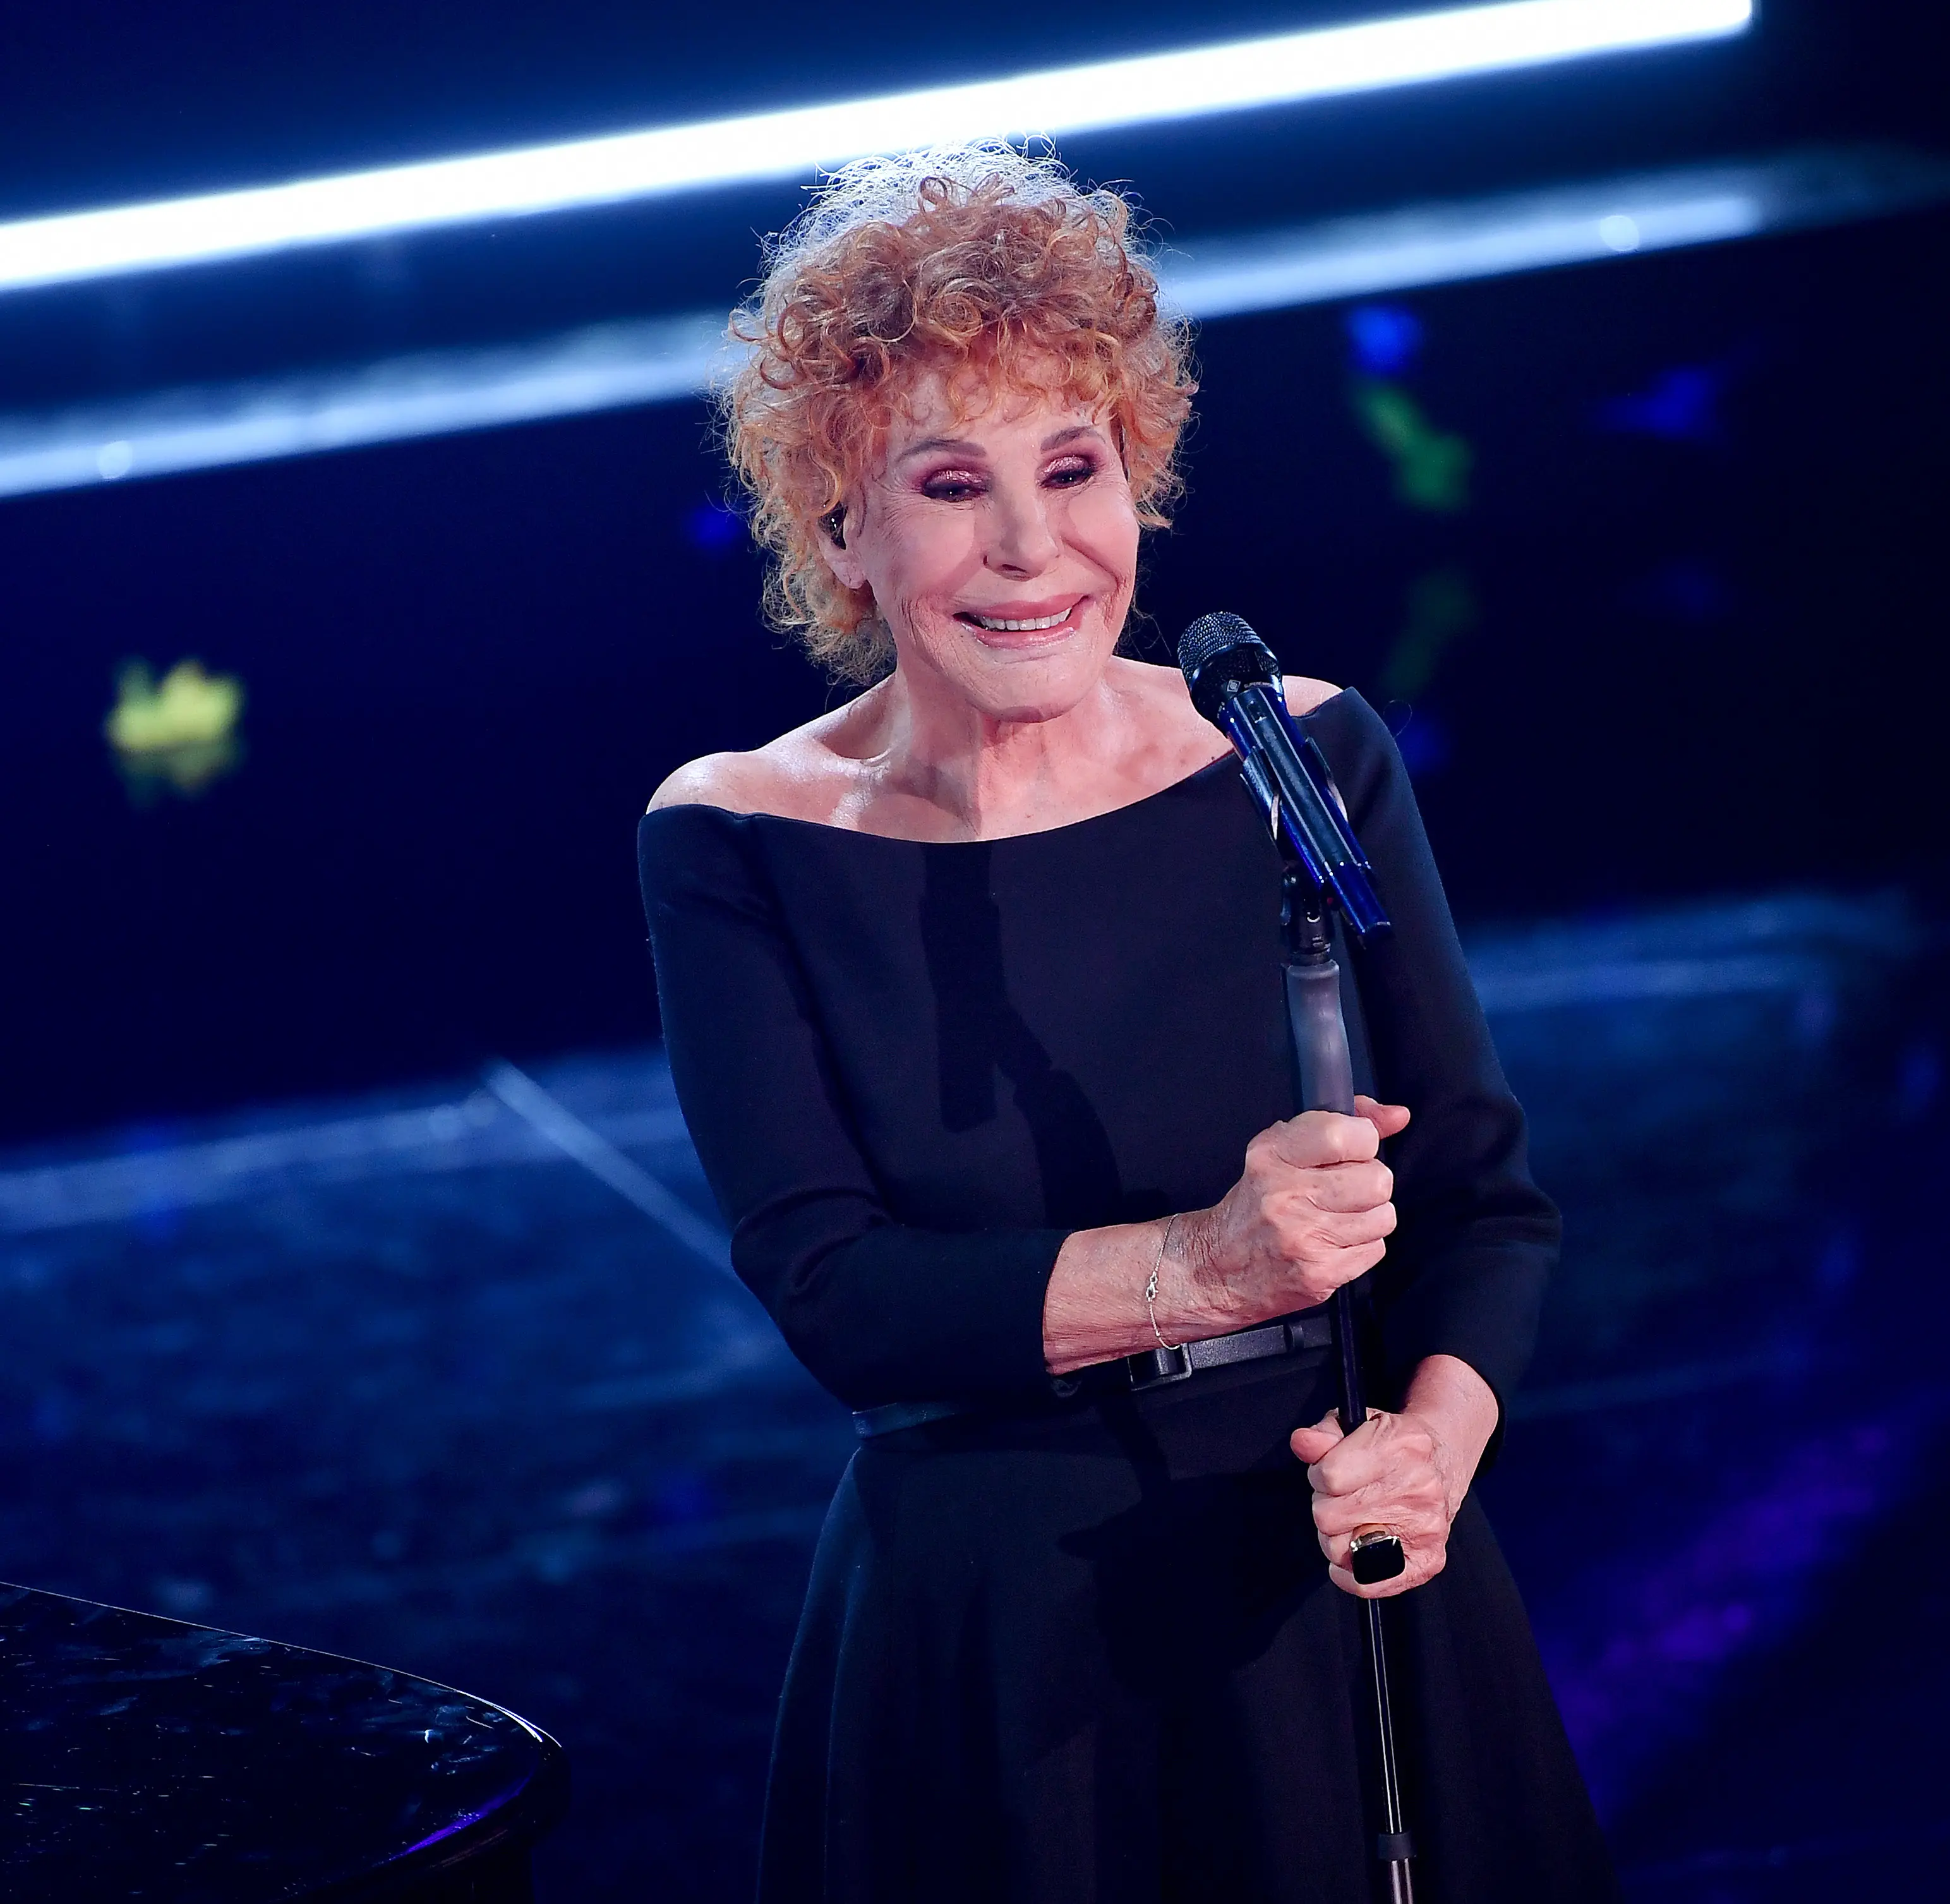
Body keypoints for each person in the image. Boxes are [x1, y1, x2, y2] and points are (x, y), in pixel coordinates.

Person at [637, 144, 1616, 1901]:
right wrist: (1217, 1262)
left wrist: (1431, 1445)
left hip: (1338, 1587)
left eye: (1072, 467)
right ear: (843, 528)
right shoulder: (736, 836)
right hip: (995, 1641)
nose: (1033, 547)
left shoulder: (1297, 753)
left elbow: (1485, 1200)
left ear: (1138, 477)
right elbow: (841, 1297)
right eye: (951, 483)